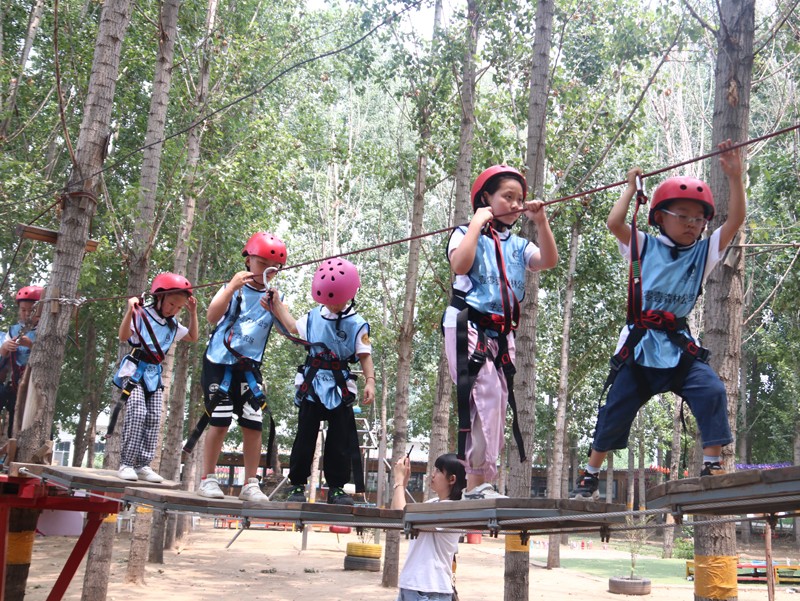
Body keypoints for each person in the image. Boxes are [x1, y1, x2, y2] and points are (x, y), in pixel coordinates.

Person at [572, 140, 745, 499]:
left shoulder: (704, 252)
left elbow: (737, 220)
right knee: (615, 409)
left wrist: (735, 178)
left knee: (711, 388)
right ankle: (590, 473)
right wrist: (629, 189)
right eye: (682, 215)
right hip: (639, 348)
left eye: (698, 218)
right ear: (660, 217)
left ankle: (712, 462)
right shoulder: (643, 246)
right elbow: (614, 222)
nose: (691, 224)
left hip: (678, 348)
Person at [444, 165, 558, 499]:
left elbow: (548, 260)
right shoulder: (465, 233)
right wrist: (477, 224)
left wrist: (541, 222)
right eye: (507, 197)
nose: (515, 203)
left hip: (500, 334)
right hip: (468, 325)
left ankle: (473, 481)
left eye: (519, 198)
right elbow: (460, 266)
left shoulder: (519, 245)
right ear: (485, 199)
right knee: (487, 397)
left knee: (495, 401)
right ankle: (478, 481)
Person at [269, 257, 376, 505]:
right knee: (304, 436)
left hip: (340, 387)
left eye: (337, 300)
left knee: (339, 440)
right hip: (313, 384)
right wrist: (276, 304)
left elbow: (364, 355)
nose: (333, 305)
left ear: (350, 294)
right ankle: (297, 485)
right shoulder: (314, 316)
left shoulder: (357, 324)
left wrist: (369, 381)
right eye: (329, 300)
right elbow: (292, 326)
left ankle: (336, 488)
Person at [197, 232, 286, 501]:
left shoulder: (271, 297)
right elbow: (212, 316)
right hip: (219, 364)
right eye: (262, 264)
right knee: (220, 420)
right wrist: (231, 288)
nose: (266, 272)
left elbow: (286, 331)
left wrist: (277, 307)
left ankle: (250, 483)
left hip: (248, 368)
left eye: (273, 269)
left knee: (253, 423)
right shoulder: (233, 289)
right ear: (248, 260)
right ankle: (208, 478)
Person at [114, 273, 198, 482]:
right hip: (134, 371)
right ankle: (126, 463)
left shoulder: (172, 324)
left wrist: (193, 313)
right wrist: (129, 311)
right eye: (171, 304)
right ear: (159, 297)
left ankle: (143, 464)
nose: (174, 310)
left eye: (179, 308)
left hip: (154, 374)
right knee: (137, 412)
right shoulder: (142, 314)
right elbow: (123, 336)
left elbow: (192, 337)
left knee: (153, 418)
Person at [393, 453, 466, 601]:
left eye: (439, 471)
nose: (433, 474)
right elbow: (398, 515)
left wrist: (399, 481)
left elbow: (406, 517)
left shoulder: (453, 509)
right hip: (413, 586)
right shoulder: (433, 504)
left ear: (452, 479)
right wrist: (402, 484)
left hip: (429, 590)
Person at [0, 285, 44, 437]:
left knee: (28, 420)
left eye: (30, 311)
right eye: (23, 310)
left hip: (33, 386)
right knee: (12, 415)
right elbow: (2, 358)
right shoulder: (13, 330)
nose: (26, 314)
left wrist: (31, 345)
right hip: (14, 384)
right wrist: (6, 347)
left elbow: (47, 356)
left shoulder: (44, 331)